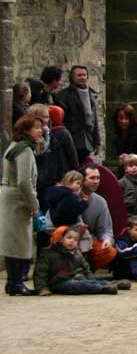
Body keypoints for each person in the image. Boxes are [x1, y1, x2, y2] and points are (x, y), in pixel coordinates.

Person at [0, 114, 43, 296]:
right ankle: (16, 282)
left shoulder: (15, 146)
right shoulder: (24, 150)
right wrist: (34, 204)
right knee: (19, 242)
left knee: (14, 242)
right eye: (36, 127)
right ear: (26, 130)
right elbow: (24, 181)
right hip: (18, 199)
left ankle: (13, 282)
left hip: (11, 197)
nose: (40, 130)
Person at [34, 226, 124, 296]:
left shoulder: (77, 253)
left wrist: (91, 278)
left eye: (75, 239)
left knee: (86, 281)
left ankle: (111, 284)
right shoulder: (48, 253)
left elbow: (86, 268)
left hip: (76, 278)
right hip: (58, 282)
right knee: (78, 285)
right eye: (69, 238)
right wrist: (42, 288)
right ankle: (104, 288)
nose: (72, 241)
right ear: (60, 239)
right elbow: (40, 273)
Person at [54, 66, 101, 163]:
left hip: (87, 139)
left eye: (84, 75)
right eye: (79, 75)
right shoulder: (63, 95)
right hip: (73, 138)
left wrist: (97, 141)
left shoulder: (91, 94)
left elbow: (94, 119)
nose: (82, 77)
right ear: (72, 77)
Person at [38, 105, 78, 210]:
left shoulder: (48, 134)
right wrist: (75, 170)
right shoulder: (63, 133)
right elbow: (72, 155)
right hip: (62, 173)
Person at [78, 164, 117, 270]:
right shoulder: (71, 196)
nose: (96, 181)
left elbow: (106, 229)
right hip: (71, 238)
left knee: (110, 252)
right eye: (92, 178)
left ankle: (88, 270)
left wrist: (107, 240)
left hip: (90, 239)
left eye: (98, 178)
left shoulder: (100, 201)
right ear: (82, 180)